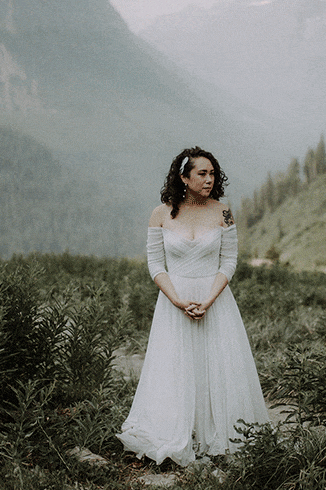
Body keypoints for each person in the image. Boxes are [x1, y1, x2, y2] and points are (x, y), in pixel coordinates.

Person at [116, 147, 270, 466]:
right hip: (175, 302)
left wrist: (209, 300)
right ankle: (176, 429)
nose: (209, 179)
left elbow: (229, 261)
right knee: (175, 366)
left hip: (215, 301)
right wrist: (177, 300)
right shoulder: (160, 214)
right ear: (184, 177)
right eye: (202, 173)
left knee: (219, 365)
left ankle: (218, 434)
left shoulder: (224, 212)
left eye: (213, 173)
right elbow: (156, 264)